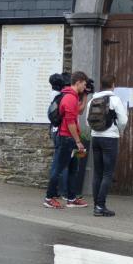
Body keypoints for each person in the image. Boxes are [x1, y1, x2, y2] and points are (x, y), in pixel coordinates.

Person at [44, 71, 90, 209]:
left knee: (73, 169)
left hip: (70, 139)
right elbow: (70, 122)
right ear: (78, 82)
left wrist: (86, 95)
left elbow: (79, 112)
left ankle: (71, 198)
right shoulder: (69, 98)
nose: (85, 86)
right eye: (84, 84)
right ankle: (49, 198)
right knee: (58, 169)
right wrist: (78, 141)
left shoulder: (73, 96)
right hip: (66, 139)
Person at [88, 74, 128, 216]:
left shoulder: (93, 99)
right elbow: (123, 120)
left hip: (95, 137)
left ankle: (96, 206)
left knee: (97, 173)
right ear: (113, 84)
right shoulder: (115, 100)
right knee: (107, 173)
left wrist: (96, 130)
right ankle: (100, 206)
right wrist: (120, 130)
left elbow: (88, 121)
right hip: (110, 138)